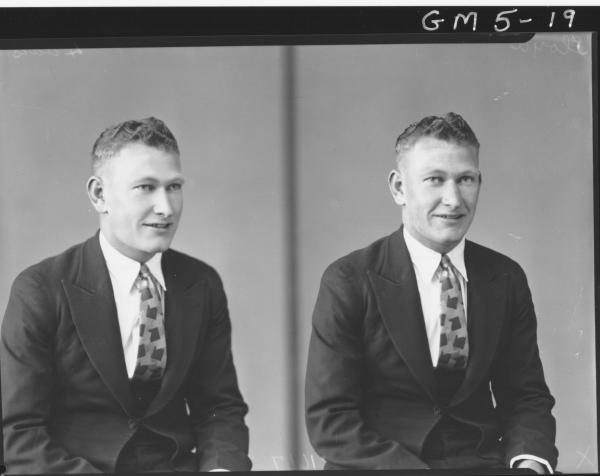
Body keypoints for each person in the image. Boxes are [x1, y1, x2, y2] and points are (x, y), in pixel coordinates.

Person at [305, 113, 557, 473]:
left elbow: (526, 397)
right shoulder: (348, 280)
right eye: (434, 180)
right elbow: (330, 420)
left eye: (465, 179)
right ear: (398, 188)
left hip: (481, 464)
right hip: (378, 465)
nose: (453, 199)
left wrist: (530, 461)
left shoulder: (505, 277)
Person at [1, 117, 251, 473]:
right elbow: (18, 433)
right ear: (99, 195)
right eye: (146, 187)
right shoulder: (41, 289)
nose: (166, 207)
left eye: (174, 187)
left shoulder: (201, 283)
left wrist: (220, 469)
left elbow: (220, 408)